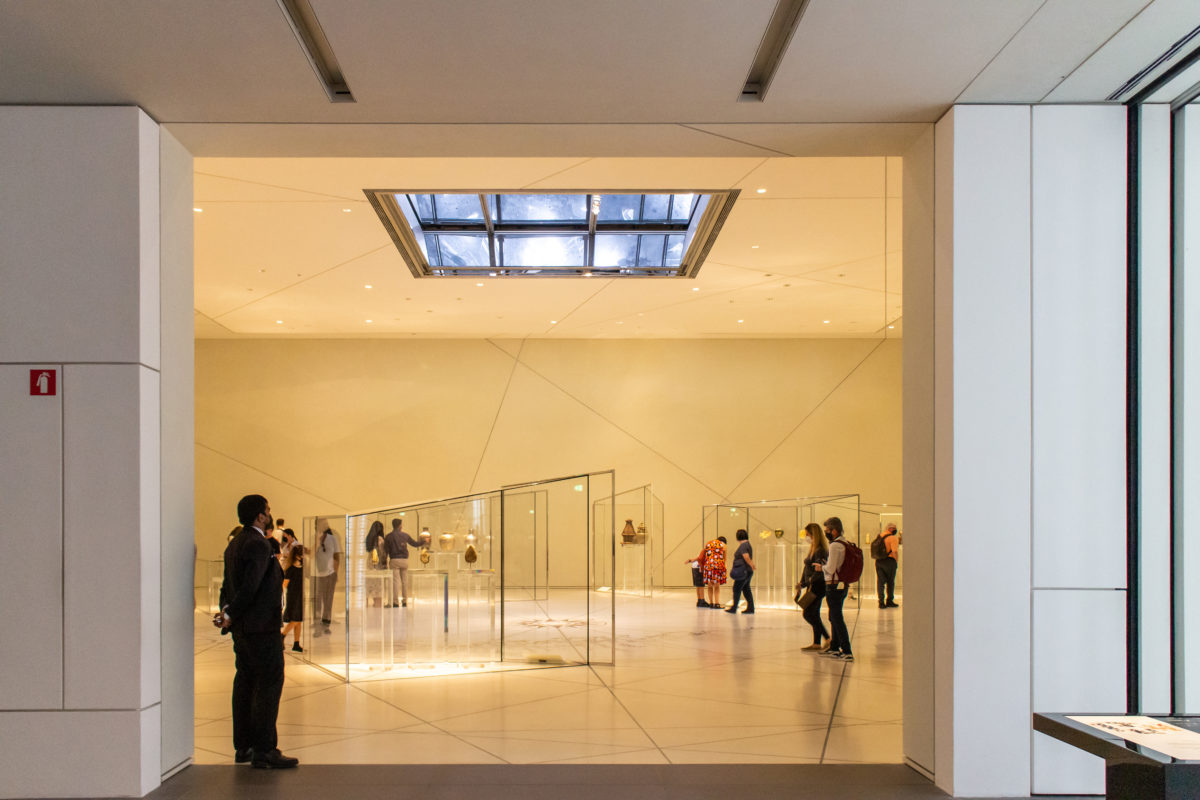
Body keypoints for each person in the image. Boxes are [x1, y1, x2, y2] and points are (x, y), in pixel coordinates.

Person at [214, 494, 299, 769]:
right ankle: (264, 749)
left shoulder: (235, 544)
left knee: (245, 682)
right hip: (261, 628)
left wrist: (227, 612)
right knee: (269, 683)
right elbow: (251, 587)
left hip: (242, 629)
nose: (270, 514)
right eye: (268, 510)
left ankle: (244, 746)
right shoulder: (258, 545)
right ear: (260, 516)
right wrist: (230, 613)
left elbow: (228, 586)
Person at [822, 516, 854, 662]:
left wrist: (820, 567)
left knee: (836, 617)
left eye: (827, 530)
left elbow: (830, 568)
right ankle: (835, 647)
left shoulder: (835, 545)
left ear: (834, 530)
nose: (826, 533)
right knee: (834, 616)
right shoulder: (845, 542)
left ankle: (846, 649)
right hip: (842, 585)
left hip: (834, 585)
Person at [800, 522, 830, 650]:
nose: (806, 537)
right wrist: (802, 583)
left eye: (807, 535)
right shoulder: (814, 549)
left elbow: (818, 570)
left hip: (817, 586)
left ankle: (827, 638)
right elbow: (807, 568)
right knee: (814, 613)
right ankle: (817, 643)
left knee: (808, 613)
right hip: (813, 585)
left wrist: (810, 581)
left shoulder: (820, 551)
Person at [384, 518, 421, 607]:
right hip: (404, 561)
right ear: (400, 525)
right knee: (405, 581)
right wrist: (424, 541)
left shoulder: (388, 536)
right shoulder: (405, 535)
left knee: (396, 581)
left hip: (394, 560)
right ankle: (405, 601)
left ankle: (395, 602)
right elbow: (415, 544)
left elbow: (386, 550)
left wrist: (384, 561)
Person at [312, 523, 341, 636]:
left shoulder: (332, 539)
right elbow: (311, 553)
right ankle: (318, 626)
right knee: (318, 600)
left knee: (328, 600)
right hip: (317, 574)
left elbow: (336, 556)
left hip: (329, 574)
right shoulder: (314, 539)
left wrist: (335, 572)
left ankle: (326, 624)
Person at [280, 545, 304, 653]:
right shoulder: (290, 569)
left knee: (298, 621)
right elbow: (284, 584)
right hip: (293, 597)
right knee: (295, 620)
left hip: (300, 595)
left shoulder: (302, 567)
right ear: (297, 556)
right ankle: (282, 635)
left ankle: (296, 643)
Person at [726, 528, 756, 614]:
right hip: (748, 571)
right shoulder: (748, 544)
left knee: (736, 588)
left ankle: (734, 607)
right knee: (746, 589)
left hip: (743, 571)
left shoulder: (743, 545)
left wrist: (751, 564)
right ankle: (750, 608)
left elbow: (746, 556)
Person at [875, 522, 900, 608]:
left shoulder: (880, 536)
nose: (895, 530)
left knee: (880, 582)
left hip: (879, 561)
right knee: (890, 582)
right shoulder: (893, 538)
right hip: (889, 561)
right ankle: (889, 600)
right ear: (890, 529)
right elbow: (894, 551)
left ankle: (881, 602)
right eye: (894, 528)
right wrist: (896, 561)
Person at [701, 535, 727, 610]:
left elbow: (704, 556)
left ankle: (711, 603)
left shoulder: (708, 543)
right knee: (717, 586)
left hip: (708, 566)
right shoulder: (723, 545)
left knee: (709, 586)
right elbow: (724, 559)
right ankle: (717, 603)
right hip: (717, 567)